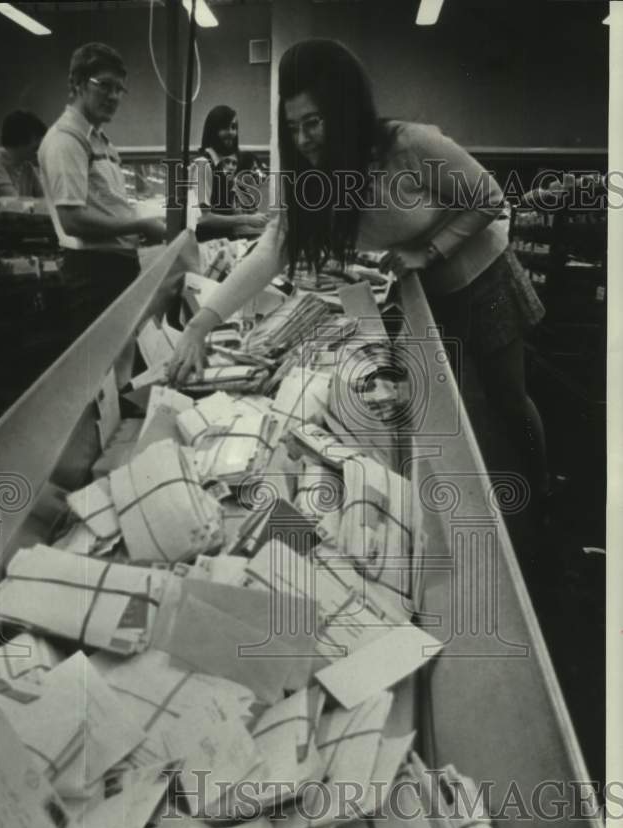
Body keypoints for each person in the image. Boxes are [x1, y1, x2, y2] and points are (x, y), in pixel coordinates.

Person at [169, 39, 548, 503]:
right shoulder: (317, 178)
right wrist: (201, 323)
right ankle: (485, 495)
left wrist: (428, 250)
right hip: (428, 288)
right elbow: (272, 250)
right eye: (294, 128)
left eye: (314, 122)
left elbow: (490, 198)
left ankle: (539, 494)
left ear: (344, 112)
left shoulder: (408, 144)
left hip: (483, 273)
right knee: (458, 407)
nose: (305, 139)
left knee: (507, 400)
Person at [38, 42, 166, 340]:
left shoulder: (99, 140)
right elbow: (73, 220)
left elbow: (106, 207)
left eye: (120, 89)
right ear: (78, 83)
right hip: (94, 275)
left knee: (122, 363)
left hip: (115, 268)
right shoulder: (66, 140)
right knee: (100, 372)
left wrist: (138, 227)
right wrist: (140, 224)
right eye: (105, 86)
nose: (114, 96)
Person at [189, 105, 267, 240]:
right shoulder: (203, 165)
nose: (231, 133)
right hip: (207, 246)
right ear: (213, 130)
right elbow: (203, 218)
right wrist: (246, 219)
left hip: (226, 243)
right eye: (225, 128)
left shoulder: (224, 165)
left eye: (234, 127)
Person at [0, 110, 46, 198]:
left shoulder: (27, 166)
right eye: (37, 140)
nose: (40, 147)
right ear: (21, 139)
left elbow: (45, 200)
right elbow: (12, 201)